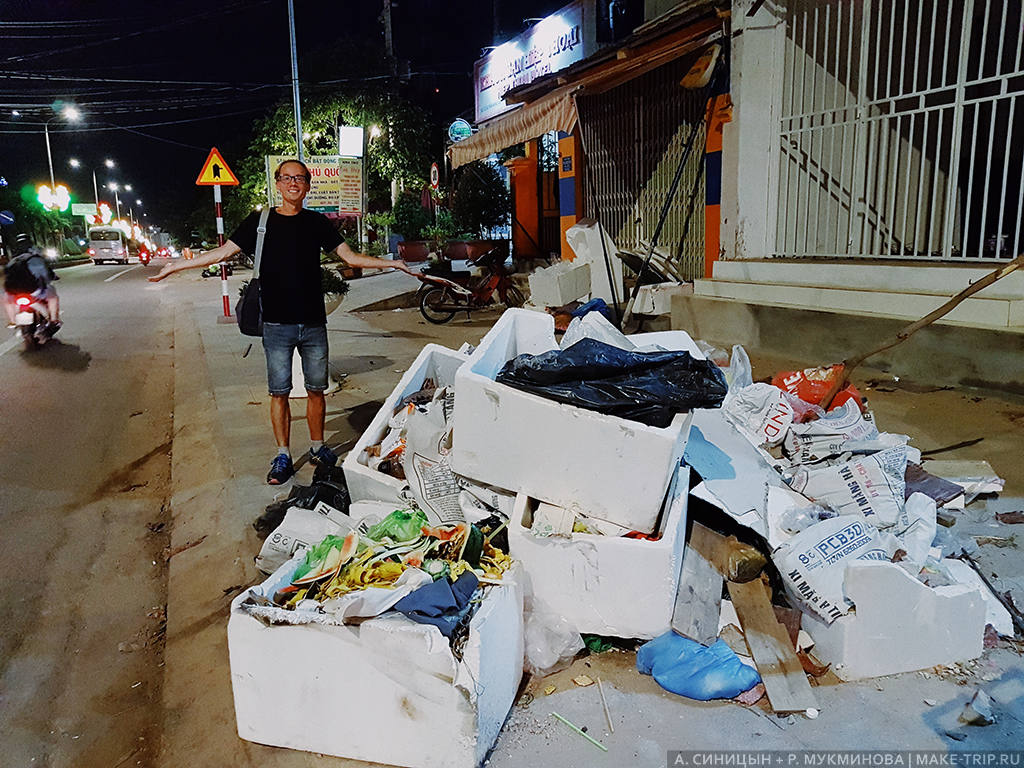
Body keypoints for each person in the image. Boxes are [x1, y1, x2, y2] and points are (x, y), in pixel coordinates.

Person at [150, 159, 415, 484]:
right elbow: (221, 254)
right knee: (280, 392)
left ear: (307, 185)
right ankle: (283, 455)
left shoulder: (317, 223)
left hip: (313, 323)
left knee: (317, 390)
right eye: (287, 178)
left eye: (300, 178)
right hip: (276, 325)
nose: (294, 183)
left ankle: (318, 447)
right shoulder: (258, 222)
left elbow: (350, 257)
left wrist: (395, 265)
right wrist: (175, 267)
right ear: (277, 183)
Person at [3, 233, 61, 335]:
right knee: (53, 297)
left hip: (15, 293)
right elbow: (46, 275)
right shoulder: (36, 258)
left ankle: (12, 321)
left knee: (6, 300)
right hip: (35, 291)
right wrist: (51, 277)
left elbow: (6, 277)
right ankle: (53, 320)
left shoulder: (13, 260)